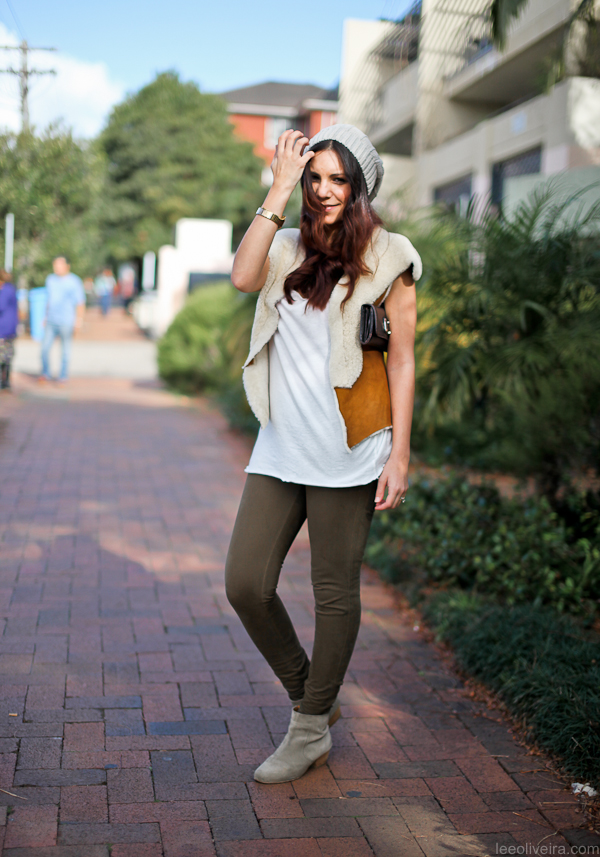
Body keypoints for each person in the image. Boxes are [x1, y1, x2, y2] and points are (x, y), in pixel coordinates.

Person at [225, 125, 421, 784]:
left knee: (334, 591)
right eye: (316, 177)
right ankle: (314, 694)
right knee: (245, 583)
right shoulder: (285, 246)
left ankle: (308, 728)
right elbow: (241, 276)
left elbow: (402, 360)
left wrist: (400, 453)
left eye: (338, 179)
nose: (325, 189)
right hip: (282, 445)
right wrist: (279, 187)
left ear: (360, 187)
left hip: (350, 449)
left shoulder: (390, 256)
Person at [40, 256, 85, 384]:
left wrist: (78, 321)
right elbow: (49, 300)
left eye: (59, 264)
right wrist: (45, 316)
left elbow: (80, 303)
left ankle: (63, 375)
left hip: (66, 321)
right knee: (44, 348)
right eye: (55, 264)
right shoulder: (50, 279)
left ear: (67, 266)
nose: (56, 267)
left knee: (65, 350)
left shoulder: (74, 281)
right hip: (51, 320)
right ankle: (46, 373)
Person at [0, 270, 18, 391]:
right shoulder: (10, 288)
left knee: (3, 355)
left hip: (3, 328)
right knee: (7, 355)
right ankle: (6, 381)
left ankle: (4, 382)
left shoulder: (5, 290)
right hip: (10, 328)